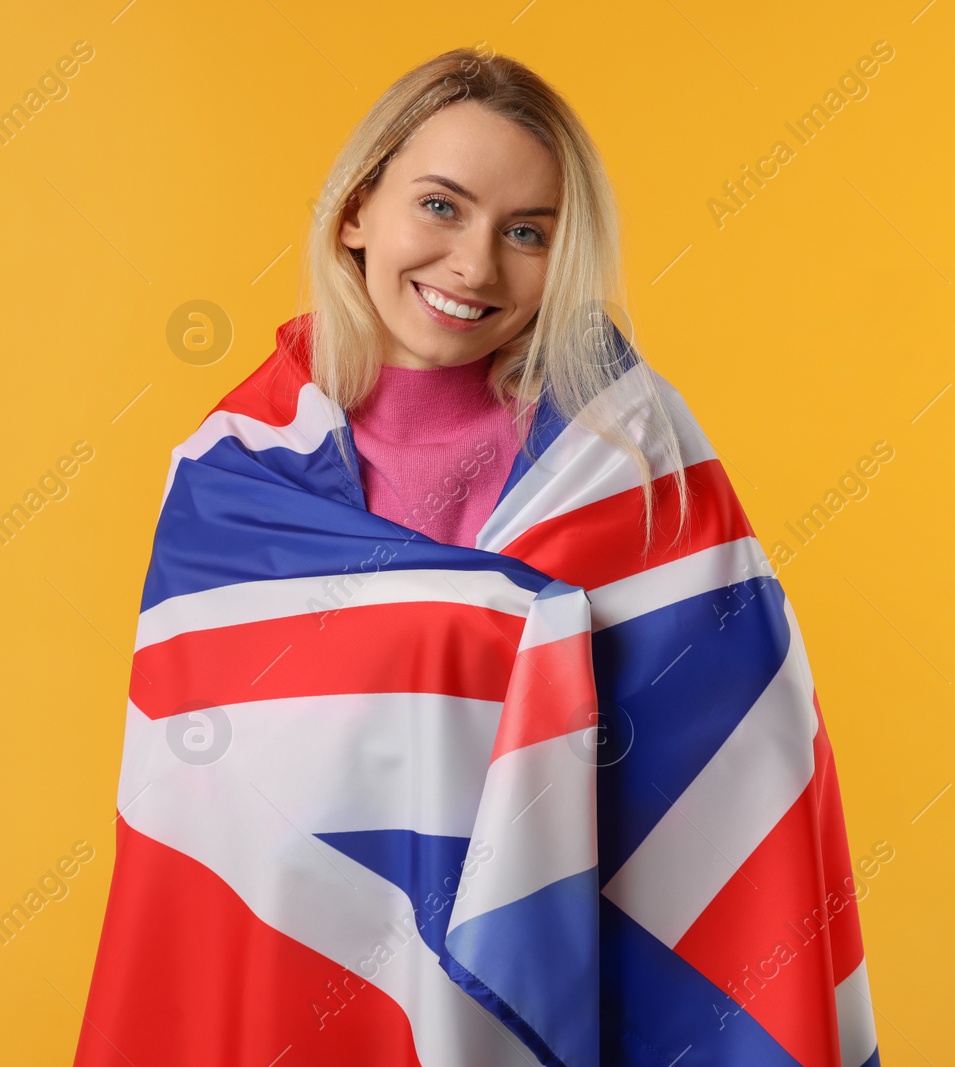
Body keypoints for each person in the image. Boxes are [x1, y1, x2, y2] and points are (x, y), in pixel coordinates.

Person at [73, 47, 881, 1067]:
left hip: (565, 975)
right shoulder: (234, 478)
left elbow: (737, 766)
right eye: (442, 207)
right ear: (358, 210)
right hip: (293, 971)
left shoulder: (627, 458)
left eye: (527, 233)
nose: (474, 265)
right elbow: (196, 813)